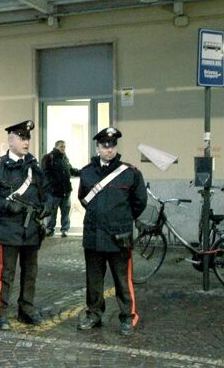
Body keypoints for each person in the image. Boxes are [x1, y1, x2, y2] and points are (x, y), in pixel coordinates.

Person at [0, 119, 49, 331]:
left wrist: (48, 207)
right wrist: (6, 206)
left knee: (30, 273)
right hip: (8, 229)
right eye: (22, 137)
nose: (26, 141)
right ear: (10, 140)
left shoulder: (34, 168)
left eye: (28, 138)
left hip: (31, 230)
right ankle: (2, 313)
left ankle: (26, 309)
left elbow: (48, 192)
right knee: (6, 274)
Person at [77, 127, 147, 336]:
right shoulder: (87, 172)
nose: (109, 150)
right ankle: (94, 313)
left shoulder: (131, 173)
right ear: (97, 147)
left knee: (122, 280)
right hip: (94, 236)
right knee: (93, 280)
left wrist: (122, 219)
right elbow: (83, 198)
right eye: (105, 146)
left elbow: (139, 202)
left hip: (119, 237)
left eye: (112, 145)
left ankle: (128, 316)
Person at [40, 140, 79, 237]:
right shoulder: (48, 157)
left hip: (66, 192)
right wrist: (51, 186)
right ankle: (50, 229)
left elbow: (70, 170)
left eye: (64, 146)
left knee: (65, 213)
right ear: (56, 147)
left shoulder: (64, 158)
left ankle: (64, 230)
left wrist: (83, 172)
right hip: (53, 193)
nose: (63, 148)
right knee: (52, 213)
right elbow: (45, 174)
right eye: (61, 146)